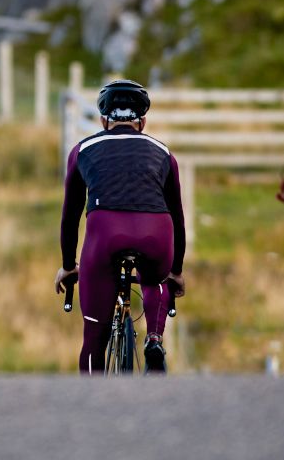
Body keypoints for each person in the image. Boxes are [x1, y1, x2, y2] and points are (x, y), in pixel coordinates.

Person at [54, 79, 186, 374]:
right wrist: (175, 271)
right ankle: (154, 337)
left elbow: (70, 215)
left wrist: (67, 264)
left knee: (93, 338)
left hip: (105, 234)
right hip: (157, 233)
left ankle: (92, 394)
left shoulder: (82, 149)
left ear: (103, 120)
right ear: (143, 121)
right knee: (156, 279)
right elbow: (178, 218)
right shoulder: (164, 153)